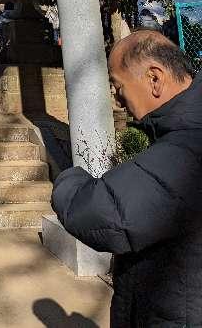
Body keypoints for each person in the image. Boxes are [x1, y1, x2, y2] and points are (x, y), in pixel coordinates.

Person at [51, 30, 202, 328]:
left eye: (117, 85)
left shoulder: (188, 147)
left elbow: (100, 212)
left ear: (154, 78)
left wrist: (71, 177)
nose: (118, 99)